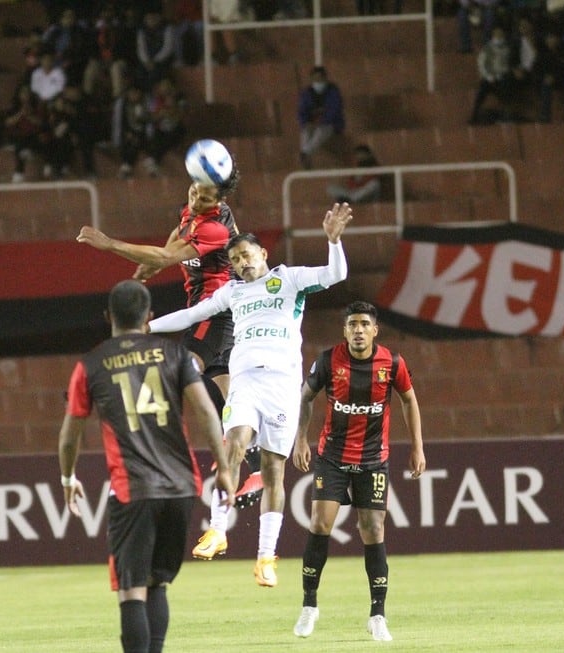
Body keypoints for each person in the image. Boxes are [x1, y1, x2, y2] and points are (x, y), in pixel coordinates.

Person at [146, 204, 354, 588]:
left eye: (247, 255)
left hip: (282, 386)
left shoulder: (289, 280)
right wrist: (148, 326)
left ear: (263, 254)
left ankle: (265, 557)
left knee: (274, 471)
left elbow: (335, 274)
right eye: (235, 259)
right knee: (234, 444)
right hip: (245, 381)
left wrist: (333, 241)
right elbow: (192, 316)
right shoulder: (233, 292)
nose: (242, 262)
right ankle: (217, 530)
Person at [76, 160, 266, 529]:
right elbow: (172, 245)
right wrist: (149, 268)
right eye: (194, 190)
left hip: (217, 311)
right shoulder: (192, 210)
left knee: (183, 369)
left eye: (205, 196)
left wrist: (110, 244)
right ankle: (256, 468)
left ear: (219, 200)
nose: (196, 199)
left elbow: (167, 255)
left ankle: (169, 448)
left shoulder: (214, 226)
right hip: (205, 309)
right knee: (229, 392)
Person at [59, 280, 234, 653]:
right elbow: (205, 410)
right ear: (150, 317)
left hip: (132, 488)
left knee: (132, 590)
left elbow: (70, 434)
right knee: (158, 583)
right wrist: (224, 467)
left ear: (108, 317)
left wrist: (68, 477)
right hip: (183, 486)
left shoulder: (91, 364)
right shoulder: (174, 355)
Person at [291, 300, 426, 641]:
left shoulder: (392, 362)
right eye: (352, 324)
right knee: (321, 522)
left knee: (373, 529)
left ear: (375, 330)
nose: (359, 330)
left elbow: (408, 399)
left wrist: (417, 447)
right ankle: (309, 605)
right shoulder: (327, 360)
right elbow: (305, 397)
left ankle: (377, 614)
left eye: (365, 324)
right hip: (332, 456)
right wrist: (301, 441)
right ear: (345, 330)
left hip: (372, 458)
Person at [297, 66, 345, 169]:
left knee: (320, 131)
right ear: (311, 80)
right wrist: (306, 123)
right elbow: (302, 112)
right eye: (315, 79)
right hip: (312, 124)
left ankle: (305, 152)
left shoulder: (333, 92)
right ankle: (306, 159)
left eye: (320, 78)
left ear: (325, 78)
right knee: (305, 132)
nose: (318, 81)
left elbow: (334, 111)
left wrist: (320, 122)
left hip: (330, 125)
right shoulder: (307, 94)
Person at [3, 84, 50, 183]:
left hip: (34, 136)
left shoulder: (37, 107)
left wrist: (29, 116)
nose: (25, 95)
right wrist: (21, 114)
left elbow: (41, 123)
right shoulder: (14, 107)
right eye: (23, 93)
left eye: (27, 93)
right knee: (20, 144)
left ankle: (45, 164)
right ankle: (19, 172)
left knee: (42, 140)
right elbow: (8, 122)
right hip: (18, 136)